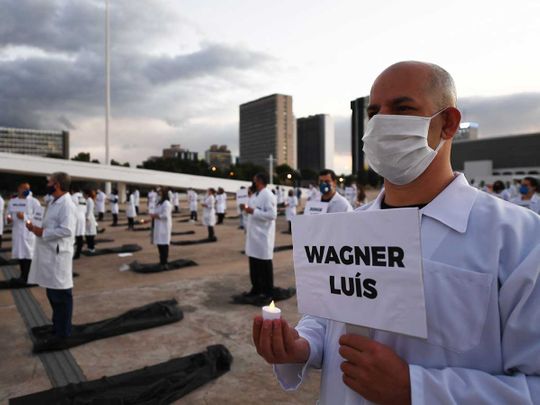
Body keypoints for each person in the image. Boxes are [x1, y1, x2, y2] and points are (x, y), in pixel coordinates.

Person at [253, 61, 540, 404]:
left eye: (402, 108)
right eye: (375, 112)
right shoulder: (346, 229)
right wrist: (301, 346)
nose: (382, 122)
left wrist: (417, 389)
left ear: (448, 123)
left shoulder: (519, 239)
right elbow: (327, 320)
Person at [27, 172, 76, 339]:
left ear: (57, 185)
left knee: (61, 296)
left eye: (50, 182)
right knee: (53, 295)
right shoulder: (55, 202)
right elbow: (50, 224)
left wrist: (44, 232)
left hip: (58, 255)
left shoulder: (67, 204)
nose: (47, 184)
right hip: (50, 254)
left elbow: (67, 229)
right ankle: (57, 327)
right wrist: (35, 228)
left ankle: (63, 333)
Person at [242, 173, 277, 298]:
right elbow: (250, 211)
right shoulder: (255, 195)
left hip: (263, 236)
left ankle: (268, 290)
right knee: (254, 264)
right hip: (253, 236)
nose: (253, 183)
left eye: (254, 180)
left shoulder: (268, 195)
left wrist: (253, 211)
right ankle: (256, 288)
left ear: (260, 181)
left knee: (264, 264)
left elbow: (272, 215)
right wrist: (247, 211)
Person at [7, 183, 41, 284]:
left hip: (28, 232)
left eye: (28, 189)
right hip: (17, 233)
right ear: (19, 189)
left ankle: (28, 277)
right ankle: (23, 276)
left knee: (28, 255)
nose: (26, 190)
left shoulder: (34, 202)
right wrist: (9, 219)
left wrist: (25, 217)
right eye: (24, 188)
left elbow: (39, 218)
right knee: (20, 255)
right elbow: (9, 214)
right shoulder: (13, 201)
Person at [150, 187, 172, 270]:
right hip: (159, 226)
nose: (158, 194)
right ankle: (161, 261)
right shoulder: (160, 203)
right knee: (159, 244)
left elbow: (165, 216)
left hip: (164, 227)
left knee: (164, 245)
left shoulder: (166, 203)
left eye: (160, 193)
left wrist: (155, 216)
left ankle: (165, 262)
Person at [71, 186, 86, 260]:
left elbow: (70, 208)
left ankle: (74, 254)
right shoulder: (83, 197)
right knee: (80, 236)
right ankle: (78, 253)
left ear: (73, 191)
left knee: (74, 236)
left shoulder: (73, 197)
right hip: (82, 217)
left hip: (75, 217)